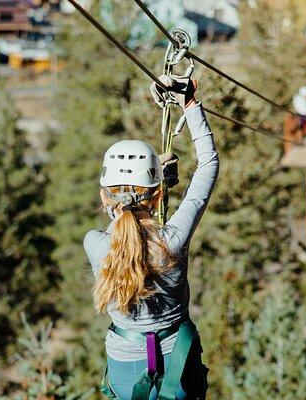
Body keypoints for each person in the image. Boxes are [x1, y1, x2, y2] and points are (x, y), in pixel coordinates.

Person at [83, 75, 219, 400]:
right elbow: (209, 163)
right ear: (158, 197)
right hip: (179, 360)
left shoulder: (95, 243)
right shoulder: (172, 240)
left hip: (123, 363)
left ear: (105, 198)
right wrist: (189, 104)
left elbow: (128, 234)